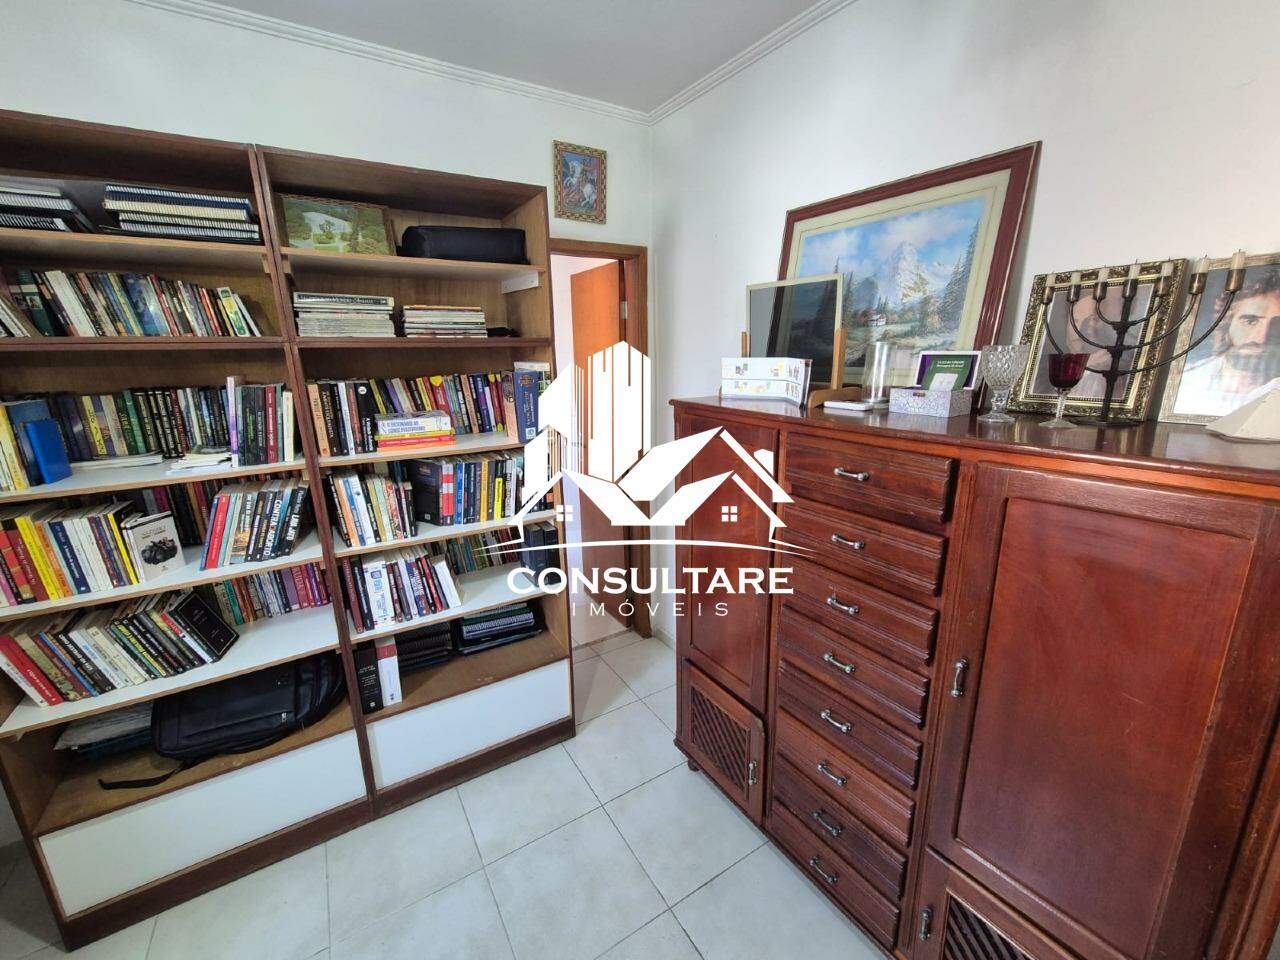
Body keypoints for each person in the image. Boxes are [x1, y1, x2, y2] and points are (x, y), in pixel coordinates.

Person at [1178, 266, 1280, 417]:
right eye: (1250, 321)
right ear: (1227, 323)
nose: (1261, 338)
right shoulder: (1188, 379)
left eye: (1277, 325)